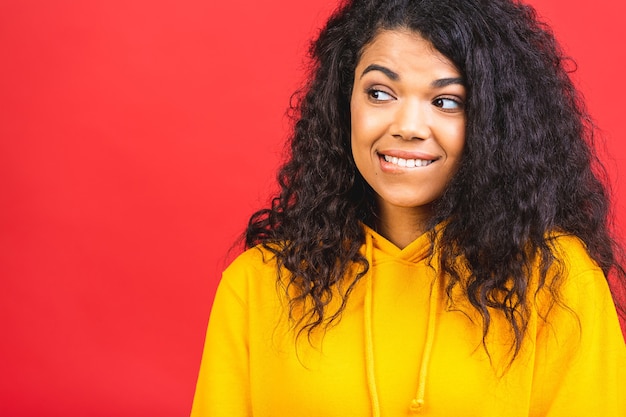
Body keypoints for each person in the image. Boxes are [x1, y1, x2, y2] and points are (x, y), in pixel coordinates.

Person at [191, 0, 626, 415]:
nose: (408, 128)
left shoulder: (558, 282)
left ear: (495, 121)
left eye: (446, 102)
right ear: (344, 104)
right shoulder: (256, 286)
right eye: (380, 93)